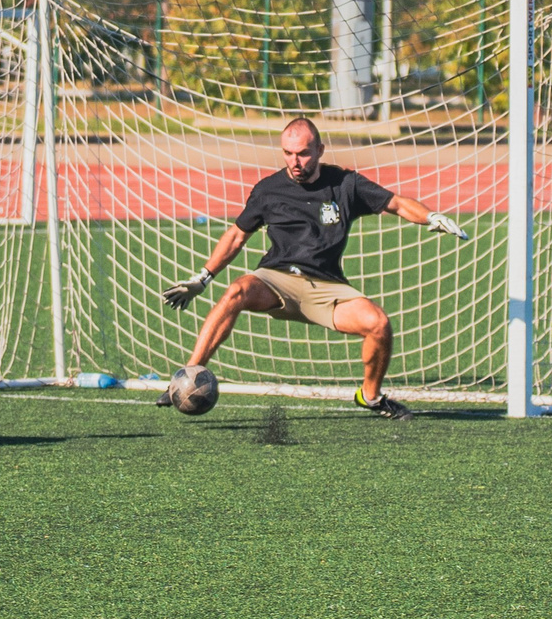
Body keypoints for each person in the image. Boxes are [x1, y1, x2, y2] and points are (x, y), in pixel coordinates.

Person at [158, 118, 469, 417]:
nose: (295, 161)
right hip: (276, 281)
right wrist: (203, 278)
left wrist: (430, 216)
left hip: (327, 288)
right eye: (288, 153)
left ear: (320, 150)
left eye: (303, 153)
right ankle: (188, 377)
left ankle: (370, 397)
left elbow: (396, 203)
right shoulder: (268, 190)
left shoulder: (346, 184)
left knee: (378, 324)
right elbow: (237, 235)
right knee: (237, 290)